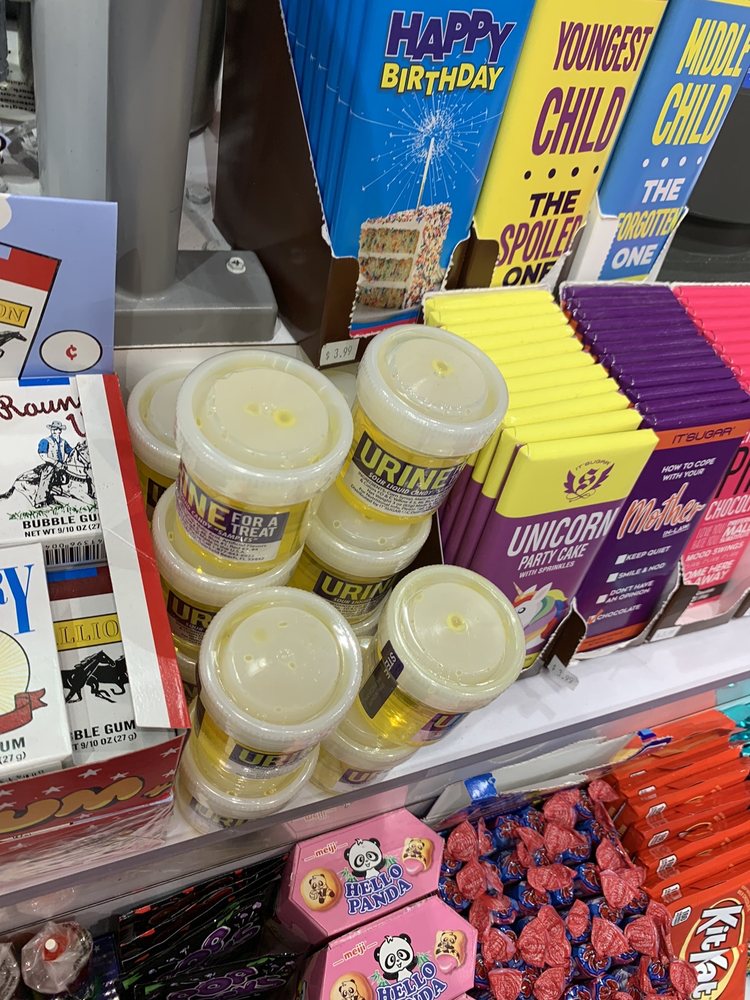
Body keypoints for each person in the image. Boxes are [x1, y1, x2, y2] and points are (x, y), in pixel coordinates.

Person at [35, 420, 73, 506]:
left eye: (57, 429)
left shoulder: (63, 442)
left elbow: (70, 452)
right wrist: (55, 463)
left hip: (62, 464)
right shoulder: (45, 441)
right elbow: (43, 455)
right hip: (51, 464)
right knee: (47, 475)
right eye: (53, 429)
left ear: (60, 431)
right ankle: (40, 500)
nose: (55, 431)